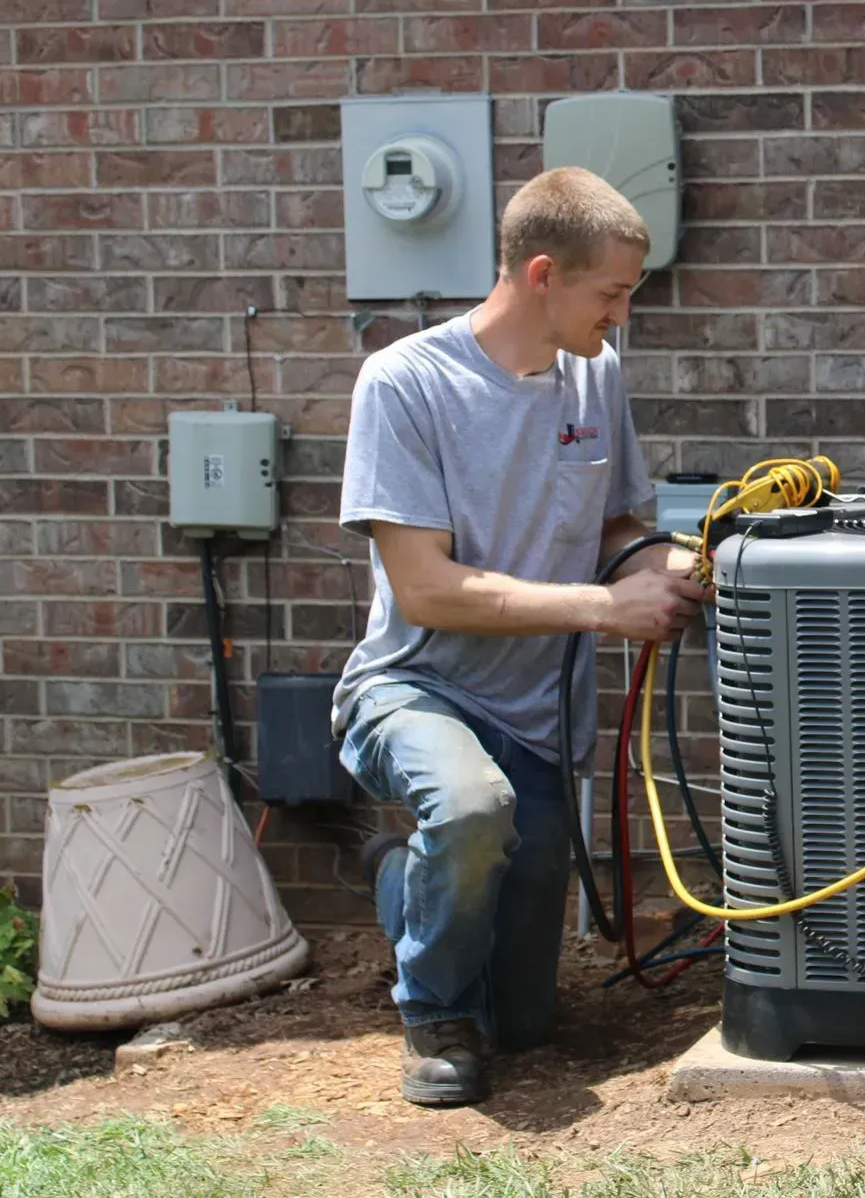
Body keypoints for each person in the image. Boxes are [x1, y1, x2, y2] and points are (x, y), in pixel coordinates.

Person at [330, 167, 710, 1107]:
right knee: (468, 808)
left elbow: (619, 526)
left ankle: (399, 886)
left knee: (526, 1024)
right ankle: (428, 1012)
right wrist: (600, 607)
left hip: (536, 716)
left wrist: (655, 567)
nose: (621, 316)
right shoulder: (405, 385)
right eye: (612, 294)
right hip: (415, 690)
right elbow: (424, 591)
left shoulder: (595, 375)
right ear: (543, 273)